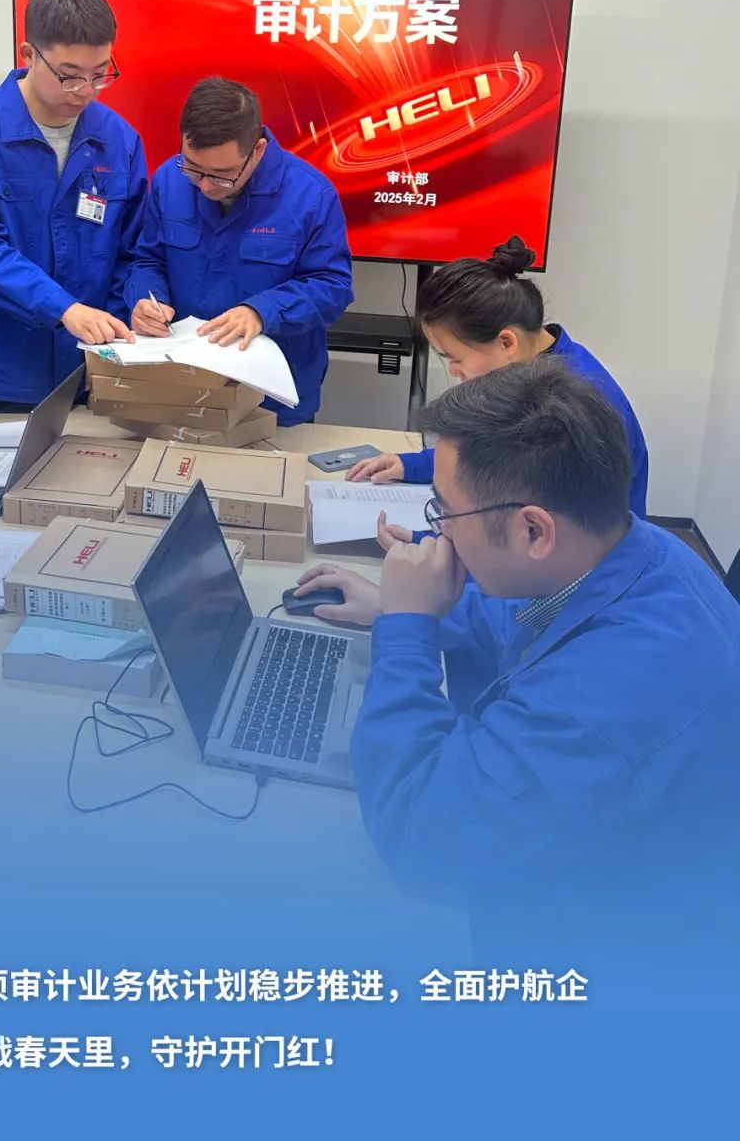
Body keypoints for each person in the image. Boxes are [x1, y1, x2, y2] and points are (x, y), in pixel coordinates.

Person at [296, 359, 740, 992]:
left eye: (445, 512)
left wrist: (408, 629)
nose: (438, 532)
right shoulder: (636, 548)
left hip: (619, 965)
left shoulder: (605, 698)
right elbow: (522, 617)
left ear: (534, 529)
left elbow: (418, 831)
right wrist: (408, 605)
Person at [0, 0, 148, 427]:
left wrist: (128, 316)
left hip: (83, 374)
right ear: (29, 54)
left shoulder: (118, 140)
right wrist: (62, 308)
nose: (85, 90)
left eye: (100, 73)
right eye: (69, 75)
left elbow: (133, 250)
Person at [347, 235, 649, 516]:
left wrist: (430, 542)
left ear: (506, 343)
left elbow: (531, 531)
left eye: (456, 359)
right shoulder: (532, 366)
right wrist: (408, 465)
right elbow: (483, 452)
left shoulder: (568, 407)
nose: (453, 371)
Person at [124, 77, 353, 425]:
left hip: (270, 397)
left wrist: (261, 312)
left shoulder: (311, 196)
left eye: (222, 174)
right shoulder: (170, 180)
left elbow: (332, 287)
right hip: (181, 384)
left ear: (258, 150)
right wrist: (145, 300)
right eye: (193, 168)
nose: (205, 186)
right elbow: (149, 260)